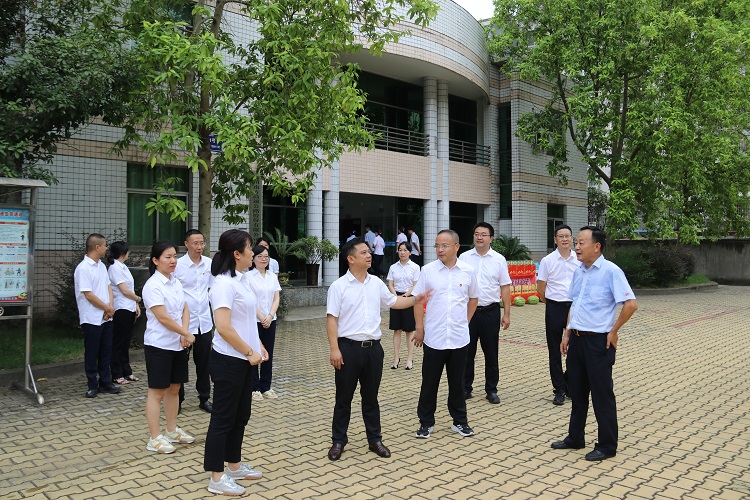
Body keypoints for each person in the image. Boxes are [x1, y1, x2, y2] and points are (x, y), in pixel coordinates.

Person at [326, 237, 430, 461]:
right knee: (343, 398)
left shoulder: (375, 283)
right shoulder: (338, 287)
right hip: (348, 349)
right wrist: (334, 349)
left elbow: (394, 302)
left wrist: (416, 299)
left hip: (373, 349)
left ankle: (374, 439)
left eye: (369, 251)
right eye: (363, 252)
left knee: (370, 397)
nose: (369, 255)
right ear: (351, 258)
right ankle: (338, 441)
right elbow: (331, 320)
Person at [551, 226, 638, 461]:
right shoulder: (579, 271)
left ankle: (607, 445)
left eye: (581, 243)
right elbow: (575, 304)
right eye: (576, 242)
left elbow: (630, 304)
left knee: (602, 396)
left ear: (596, 246)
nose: (576, 247)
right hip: (577, 341)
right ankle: (575, 438)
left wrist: (614, 330)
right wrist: (567, 334)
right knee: (577, 394)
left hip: (599, 343)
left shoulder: (611, 271)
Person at [204, 229, 267, 496]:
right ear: (237, 253)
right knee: (223, 419)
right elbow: (224, 327)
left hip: (244, 359)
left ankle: (234, 465)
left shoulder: (241, 279)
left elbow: (247, 319)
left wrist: (258, 345)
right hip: (229, 360)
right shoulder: (222, 284)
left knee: (241, 416)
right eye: (250, 248)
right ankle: (216, 477)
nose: (254, 253)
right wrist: (248, 350)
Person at [412, 230, 479, 439]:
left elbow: (473, 298)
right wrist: (419, 328)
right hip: (434, 337)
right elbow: (418, 300)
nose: (440, 250)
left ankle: (459, 421)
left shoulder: (468, 270)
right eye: (437, 246)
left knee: (457, 383)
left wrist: (464, 322)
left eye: (445, 246)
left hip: (459, 338)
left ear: (456, 247)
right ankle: (426, 422)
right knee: (429, 382)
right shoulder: (428, 270)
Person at [142, 240, 195, 454]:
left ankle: (172, 430)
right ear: (155, 261)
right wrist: (185, 333)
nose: (173, 261)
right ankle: (154, 438)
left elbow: (185, 309)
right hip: (159, 344)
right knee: (157, 391)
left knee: (175, 388)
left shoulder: (176, 282)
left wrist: (183, 333)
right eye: (168, 257)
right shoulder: (152, 286)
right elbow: (162, 318)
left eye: (174, 256)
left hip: (178, 343)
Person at [458, 222, 511, 404]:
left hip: (490, 311)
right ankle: (465, 388)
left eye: (483, 234)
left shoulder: (498, 259)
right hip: (469, 312)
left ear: (491, 238)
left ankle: (491, 389)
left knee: (491, 352)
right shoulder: (463, 258)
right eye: (476, 234)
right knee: (467, 351)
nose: (479, 237)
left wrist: (507, 314)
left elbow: (505, 287)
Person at [74, 234, 121, 398]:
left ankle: (106, 382)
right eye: (104, 245)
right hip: (92, 317)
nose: (106, 248)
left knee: (106, 351)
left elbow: (108, 287)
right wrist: (107, 308)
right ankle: (92, 384)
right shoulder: (83, 268)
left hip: (106, 316)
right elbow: (88, 295)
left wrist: (110, 308)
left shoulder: (101, 265)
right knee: (92, 352)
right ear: (97, 247)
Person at [537, 224, 579, 405]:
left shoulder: (579, 259)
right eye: (560, 236)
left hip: (575, 307)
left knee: (576, 349)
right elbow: (541, 287)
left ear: (572, 239)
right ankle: (559, 389)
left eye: (567, 236)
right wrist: (550, 303)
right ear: (555, 240)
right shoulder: (548, 260)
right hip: (554, 306)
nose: (564, 239)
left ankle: (569, 383)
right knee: (554, 350)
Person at [174, 229, 214, 413]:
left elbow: (213, 290)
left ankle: (204, 398)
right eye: (195, 243)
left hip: (204, 322)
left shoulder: (209, 264)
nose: (199, 247)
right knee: (181, 362)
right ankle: (178, 400)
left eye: (202, 243)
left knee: (204, 363)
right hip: (184, 324)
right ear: (186, 244)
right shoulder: (178, 265)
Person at [248, 244, 282, 401]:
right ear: (253, 258)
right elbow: (250, 301)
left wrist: (270, 315)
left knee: (269, 353)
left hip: (270, 319)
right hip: (255, 320)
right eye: (260, 256)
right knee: (255, 351)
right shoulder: (248, 277)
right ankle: (254, 387)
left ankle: (266, 386)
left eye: (266, 257)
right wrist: (262, 317)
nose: (263, 259)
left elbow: (276, 298)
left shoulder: (272, 277)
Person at [108, 241, 141, 385]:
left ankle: (126, 371)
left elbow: (129, 288)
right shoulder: (115, 268)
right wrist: (139, 299)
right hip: (121, 308)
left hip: (129, 307)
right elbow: (124, 290)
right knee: (118, 342)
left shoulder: (123, 267)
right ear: (123, 253)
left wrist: (135, 304)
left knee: (126, 341)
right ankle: (116, 373)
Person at [387, 241, 420, 370]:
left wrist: (406, 295)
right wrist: (395, 296)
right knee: (397, 330)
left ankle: (409, 359)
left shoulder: (415, 267)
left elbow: (416, 284)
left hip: (409, 298)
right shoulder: (393, 267)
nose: (402, 252)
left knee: (409, 331)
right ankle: (396, 358)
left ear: (410, 252)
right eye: (400, 250)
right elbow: (390, 283)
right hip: (395, 298)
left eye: (405, 250)